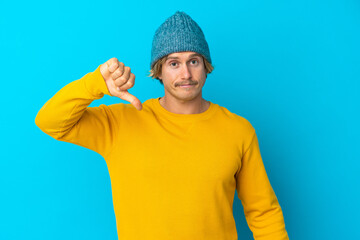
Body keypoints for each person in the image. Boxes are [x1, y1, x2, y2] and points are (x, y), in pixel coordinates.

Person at [35, 10, 289, 240]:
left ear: (206, 66)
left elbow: (264, 213)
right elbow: (50, 121)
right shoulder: (122, 123)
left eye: (194, 61)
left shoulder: (238, 130)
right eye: (174, 63)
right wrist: (95, 84)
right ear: (158, 71)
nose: (186, 74)